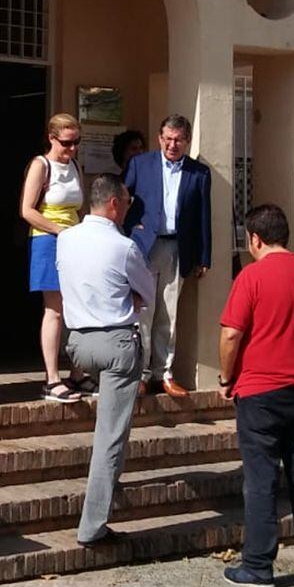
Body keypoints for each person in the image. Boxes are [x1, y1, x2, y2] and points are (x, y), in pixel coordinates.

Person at [217, 204, 294, 587]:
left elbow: (231, 334)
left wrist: (226, 377)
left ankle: (257, 566)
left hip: (260, 391)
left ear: (254, 238)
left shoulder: (251, 277)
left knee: (261, 480)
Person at [57, 174, 154, 545]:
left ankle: (108, 487)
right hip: (116, 342)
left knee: (110, 434)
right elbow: (145, 291)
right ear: (114, 203)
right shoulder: (124, 246)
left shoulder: (66, 238)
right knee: (111, 436)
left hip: (78, 345)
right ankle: (92, 527)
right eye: (126, 202)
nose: (128, 208)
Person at [123, 114, 211, 397]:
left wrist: (204, 257)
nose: (172, 145)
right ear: (160, 138)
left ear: (187, 141)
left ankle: (165, 373)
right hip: (144, 246)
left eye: (178, 140)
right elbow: (122, 199)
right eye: (168, 139)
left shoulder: (199, 173)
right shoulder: (140, 164)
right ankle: (141, 374)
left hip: (178, 248)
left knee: (169, 314)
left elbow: (203, 217)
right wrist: (127, 228)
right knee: (143, 312)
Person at [20, 112, 90, 402]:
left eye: (76, 142)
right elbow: (27, 210)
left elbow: (80, 206)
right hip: (48, 240)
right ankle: (52, 378)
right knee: (56, 309)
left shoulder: (74, 165)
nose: (71, 149)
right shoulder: (41, 165)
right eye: (66, 143)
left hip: (75, 239)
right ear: (52, 138)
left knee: (79, 306)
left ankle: (78, 373)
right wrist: (59, 230)